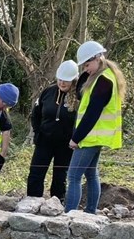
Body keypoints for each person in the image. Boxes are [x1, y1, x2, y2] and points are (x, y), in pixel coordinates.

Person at [65, 41, 126, 213]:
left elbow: (92, 113)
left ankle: (69, 215)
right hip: (95, 136)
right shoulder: (102, 76)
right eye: (83, 66)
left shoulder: (103, 81)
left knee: (73, 176)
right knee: (91, 174)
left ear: (98, 58)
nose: (85, 69)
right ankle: (90, 213)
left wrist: (76, 138)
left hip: (90, 137)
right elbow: (79, 94)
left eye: (87, 64)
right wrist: (87, 74)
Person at [27, 60, 79, 201]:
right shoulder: (48, 92)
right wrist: (38, 133)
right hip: (45, 140)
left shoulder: (80, 96)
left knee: (60, 175)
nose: (62, 83)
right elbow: (36, 114)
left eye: (66, 81)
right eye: (60, 79)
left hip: (66, 144)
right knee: (36, 172)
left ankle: (57, 202)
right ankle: (32, 201)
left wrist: (75, 138)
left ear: (74, 80)